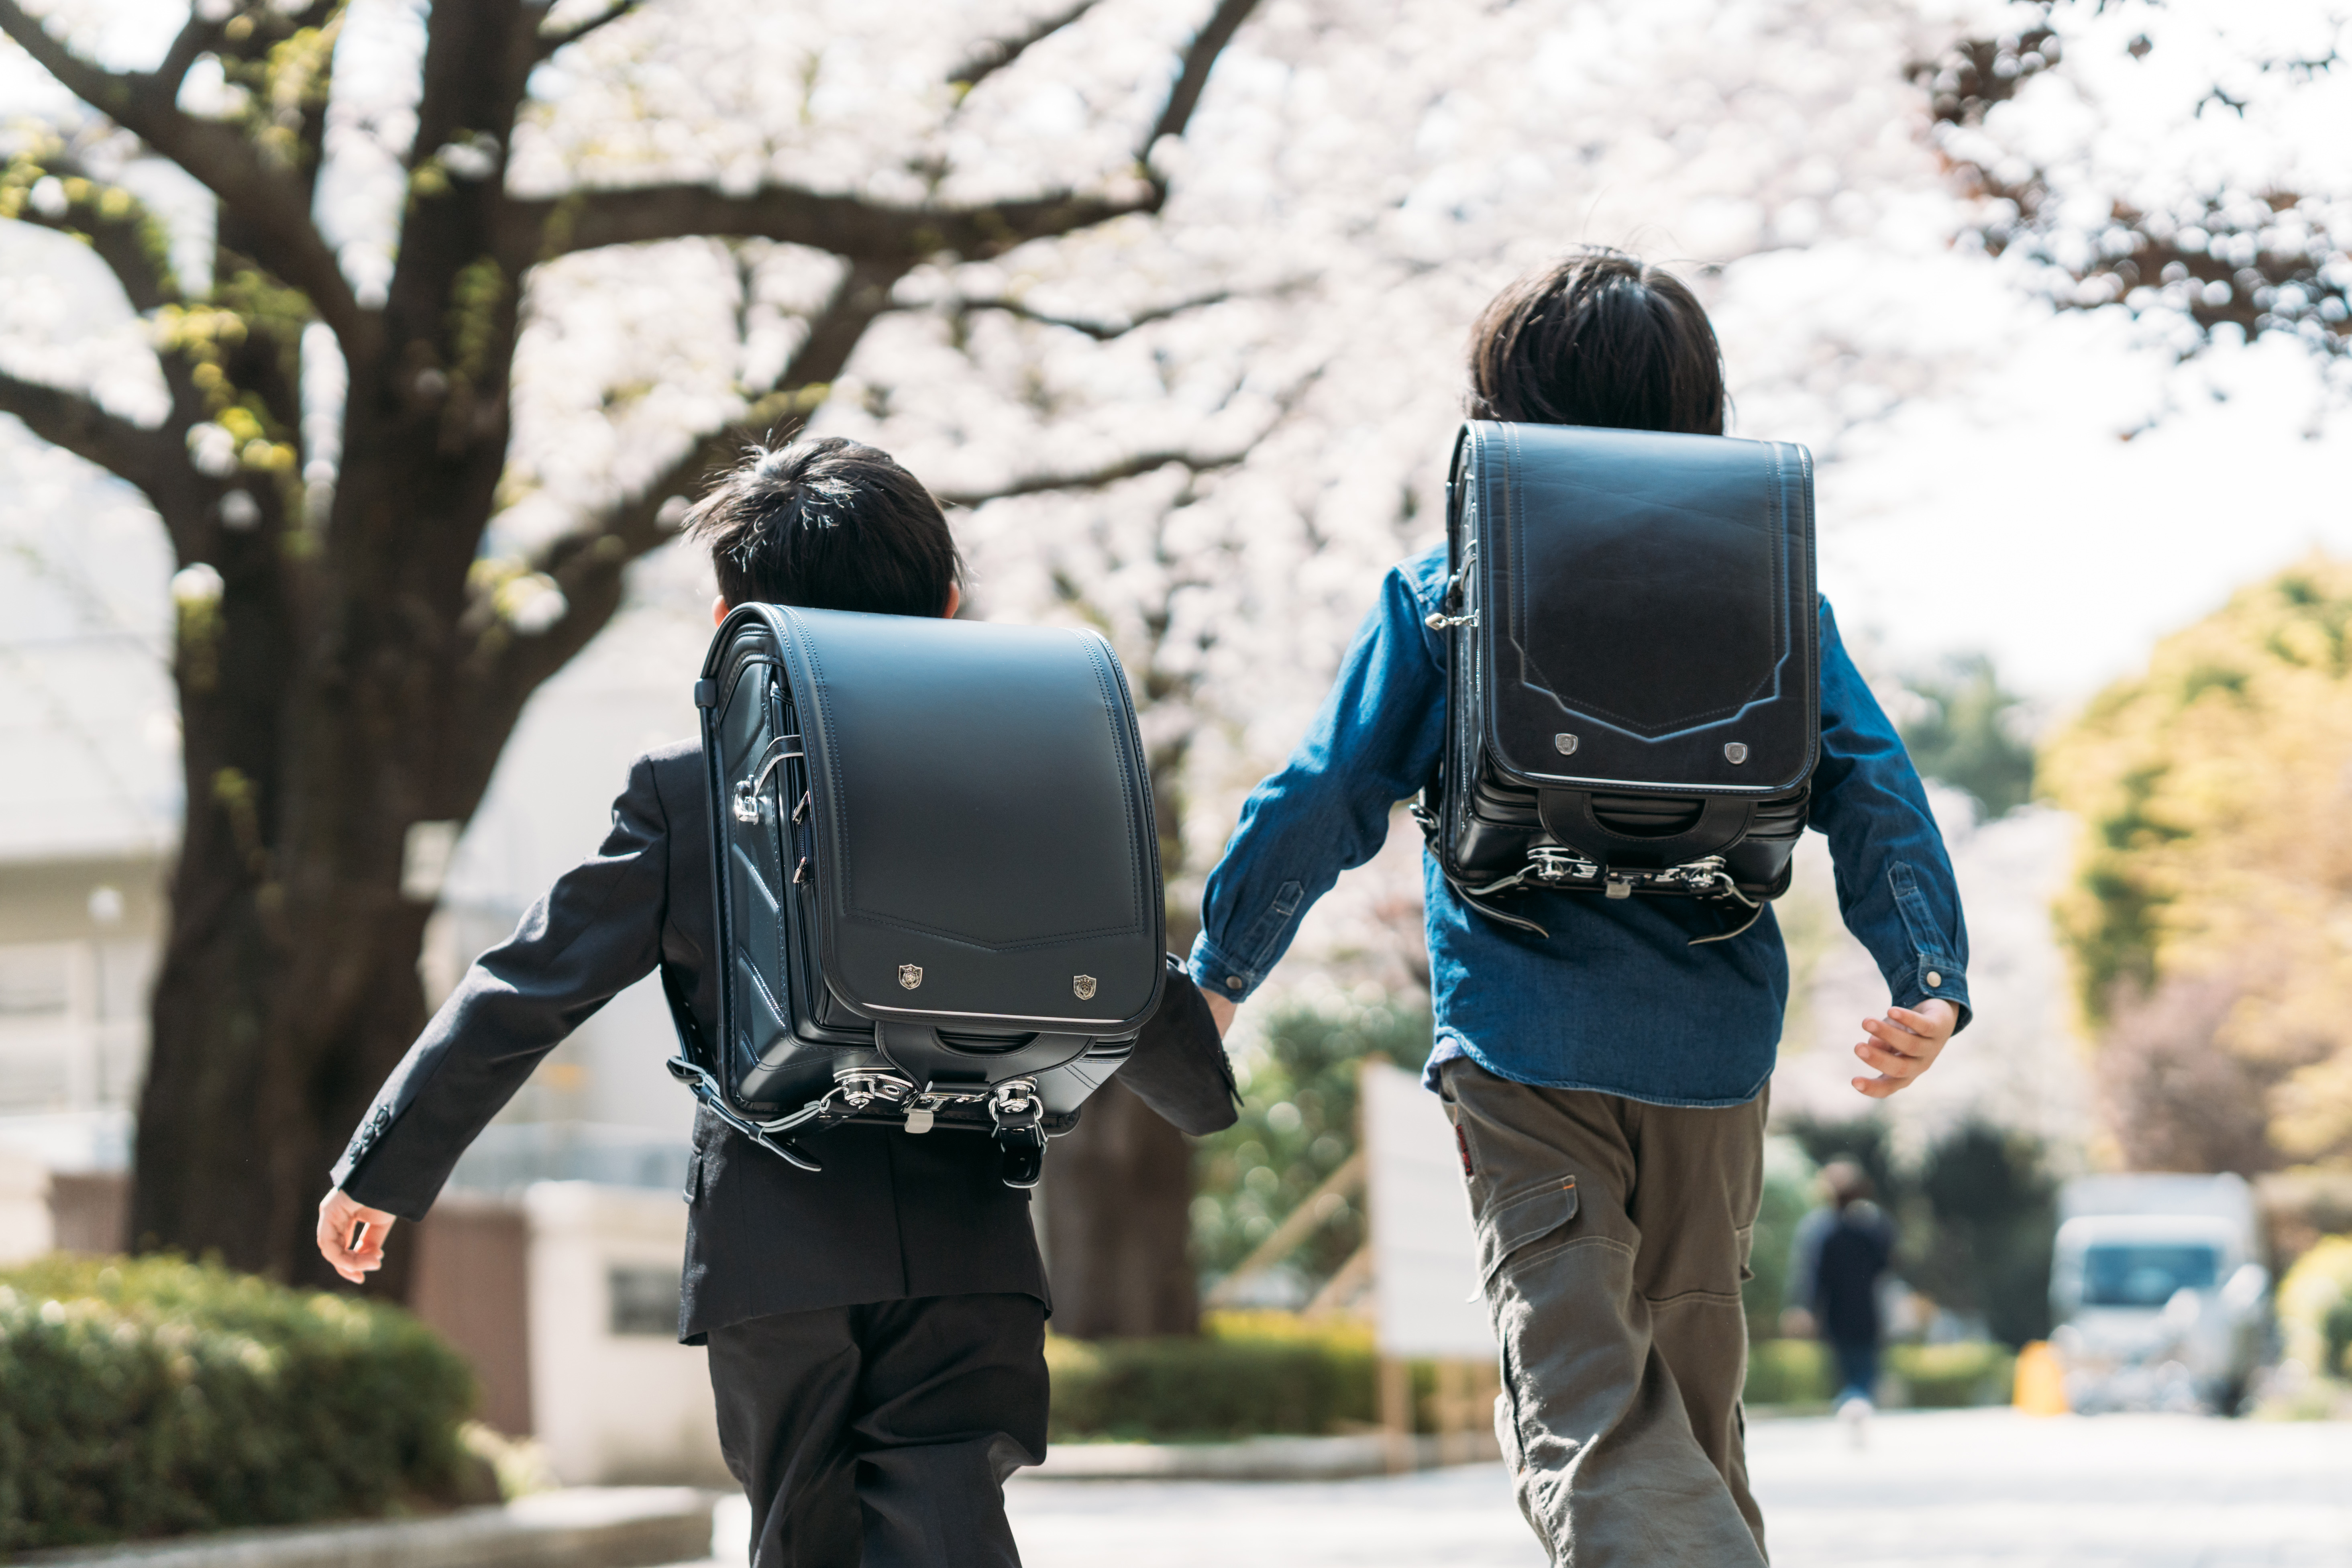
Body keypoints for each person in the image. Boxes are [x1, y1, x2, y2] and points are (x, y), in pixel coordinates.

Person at [315, 437, 1225, 1568]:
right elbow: (1120, 963)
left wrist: (384, 1168)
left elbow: (530, 984)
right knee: (951, 1524)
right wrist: (1202, 1091)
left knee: (803, 1535)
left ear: (731, 628)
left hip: (775, 1244)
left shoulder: (690, 789)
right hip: (966, 1233)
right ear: (945, 607)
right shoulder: (1025, 769)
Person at [1187, 251, 1969, 1566]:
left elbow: (1322, 793)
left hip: (1520, 1039)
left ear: (1500, 413)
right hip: (1711, 1051)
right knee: (1691, 1413)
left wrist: (1215, 976)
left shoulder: (1446, 593)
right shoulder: (1773, 607)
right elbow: (1873, 786)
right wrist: (1926, 978)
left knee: (1586, 1400)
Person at [1785, 1160, 1898, 1438]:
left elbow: (1808, 1274)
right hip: (1866, 1311)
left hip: (1835, 1312)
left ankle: (1853, 1400)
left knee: (1848, 1366)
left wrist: (1802, 1308)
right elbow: (1888, 1262)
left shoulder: (1818, 1228)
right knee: (1864, 1367)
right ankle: (1858, 1401)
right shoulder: (1872, 1225)